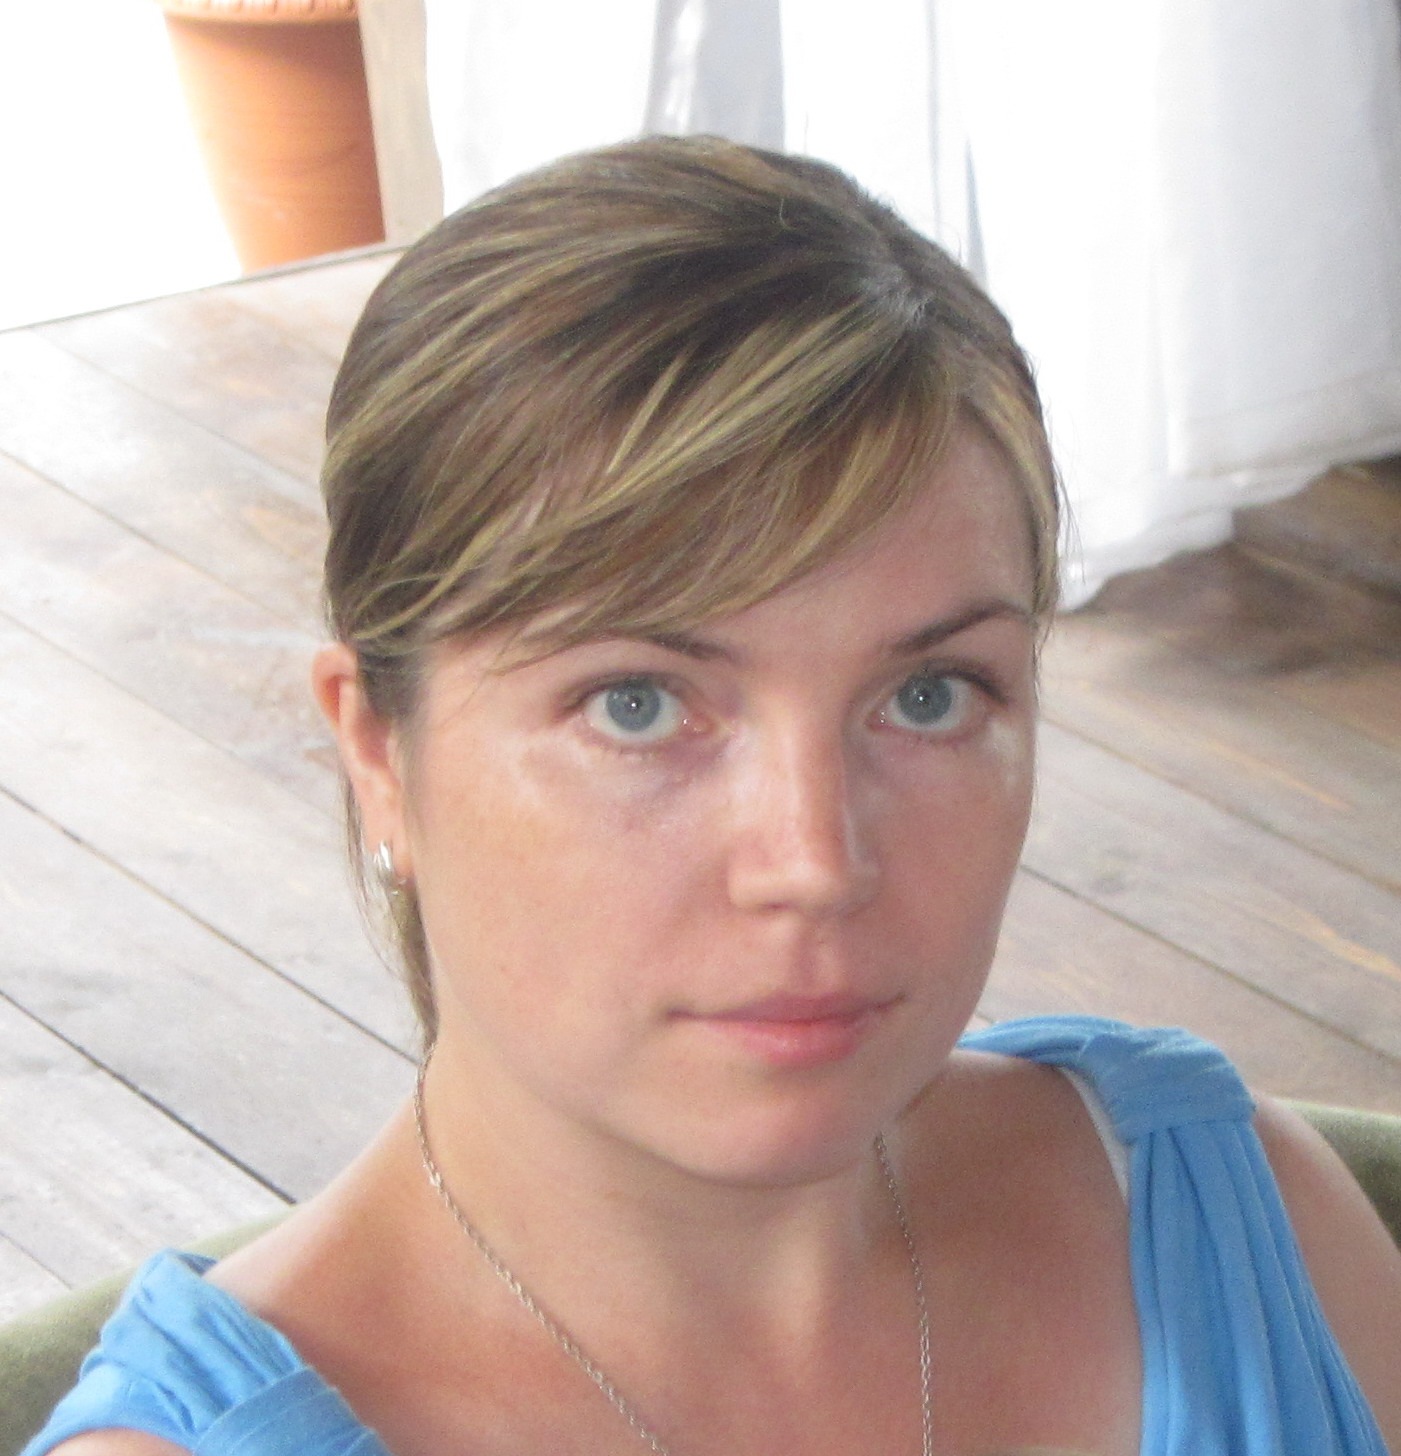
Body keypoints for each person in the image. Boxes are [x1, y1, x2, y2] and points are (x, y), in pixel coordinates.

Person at [25, 137, 1401, 1456]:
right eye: (636, 704)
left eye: (928, 695)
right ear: (380, 752)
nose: (815, 860)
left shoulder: (1247, 1224)